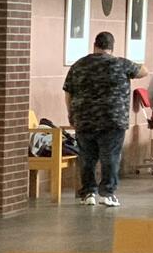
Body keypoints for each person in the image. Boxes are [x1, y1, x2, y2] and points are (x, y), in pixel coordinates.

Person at [63, 30, 147, 207]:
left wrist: (71, 113)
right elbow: (143, 71)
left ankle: (88, 193)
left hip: (84, 118)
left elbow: (68, 92)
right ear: (111, 47)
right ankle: (107, 193)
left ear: (94, 45)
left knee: (86, 157)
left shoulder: (79, 65)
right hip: (113, 119)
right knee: (110, 157)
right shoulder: (121, 64)